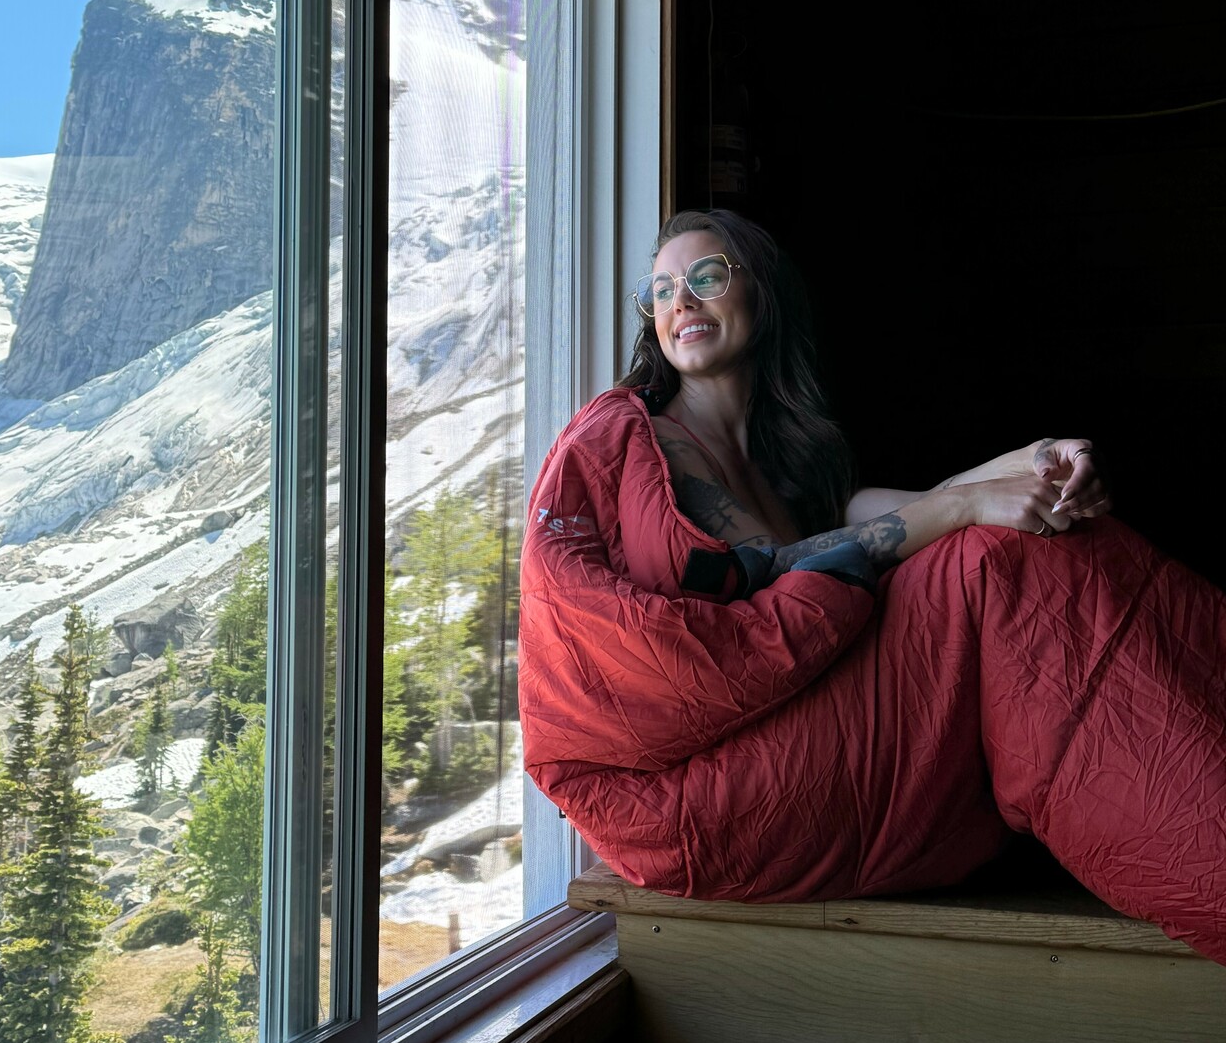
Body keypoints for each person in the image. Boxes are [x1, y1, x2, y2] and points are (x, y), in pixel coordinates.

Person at [518, 207, 1226, 964]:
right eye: (660, 291)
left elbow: (918, 508)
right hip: (699, 790)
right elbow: (784, 574)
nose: (680, 301)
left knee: (1054, 539)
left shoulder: (783, 464)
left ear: (763, 293)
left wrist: (1039, 458)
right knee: (997, 568)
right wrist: (967, 506)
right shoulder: (652, 443)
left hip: (794, 735)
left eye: (707, 276)